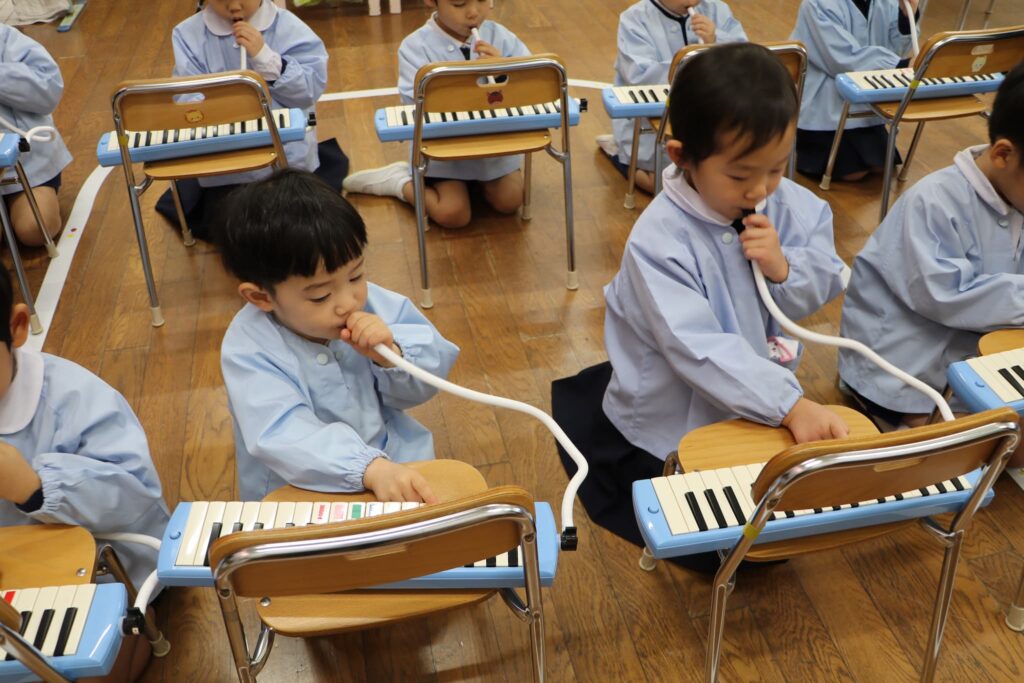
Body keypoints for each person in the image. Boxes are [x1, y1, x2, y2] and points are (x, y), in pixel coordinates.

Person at [552, 43, 848, 563]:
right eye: (740, 176)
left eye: (777, 168)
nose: (760, 190)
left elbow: (826, 272)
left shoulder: (783, 202)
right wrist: (788, 405)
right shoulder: (658, 240)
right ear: (681, 156)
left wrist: (785, 268)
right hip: (680, 404)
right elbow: (698, 348)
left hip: (758, 384)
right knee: (718, 545)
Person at [217, 169, 460, 502]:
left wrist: (392, 354)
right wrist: (367, 467)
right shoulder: (248, 348)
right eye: (320, 296)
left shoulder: (374, 303)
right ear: (261, 297)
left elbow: (431, 372)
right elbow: (283, 433)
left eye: (356, 276)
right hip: (299, 488)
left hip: (395, 459)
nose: (348, 302)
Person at [839, 60, 1024, 467]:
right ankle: (906, 419)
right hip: (902, 362)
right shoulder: (934, 200)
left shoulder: (1015, 193)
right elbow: (946, 295)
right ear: (1003, 154)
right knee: (968, 449)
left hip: (971, 346)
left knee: (1002, 437)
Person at [0, 266, 169, 593]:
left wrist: (35, 489)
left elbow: (136, 493)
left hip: (104, 577)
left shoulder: (71, 399)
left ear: (17, 327)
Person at [157, 0, 344, 241]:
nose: (234, 4)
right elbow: (187, 98)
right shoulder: (187, 34)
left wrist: (266, 58)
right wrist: (220, 106)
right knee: (237, 233)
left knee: (299, 228)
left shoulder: (288, 26)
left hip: (285, 160)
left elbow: (309, 91)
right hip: (225, 164)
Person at [342, 0, 529, 229]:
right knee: (453, 213)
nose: (473, 12)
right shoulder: (415, 47)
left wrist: (504, 72)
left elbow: (531, 84)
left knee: (511, 200)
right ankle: (399, 182)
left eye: (482, 0)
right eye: (459, 4)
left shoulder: (502, 37)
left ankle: (477, 184)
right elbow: (414, 105)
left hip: (492, 144)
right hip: (442, 148)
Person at [596, 0, 747, 195]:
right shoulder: (635, 19)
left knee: (730, 171)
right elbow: (640, 77)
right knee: (663, 184)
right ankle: (619, 155)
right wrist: (698, 65)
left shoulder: (717, 9)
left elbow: (745, 59)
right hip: (656, 114)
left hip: (713, 111)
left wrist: (717, 39)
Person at [790, 0, 918, 181]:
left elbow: (895, 50)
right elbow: (841, 58)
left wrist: (905, 17)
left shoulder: (885, 3)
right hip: (823, 111)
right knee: (853, 173)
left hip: (864, 107)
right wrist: (899, 65)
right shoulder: (817, 4)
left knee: (881, 168)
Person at [0, 23, 71, 246]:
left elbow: (49, 90)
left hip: (27, 164)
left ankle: (25, 203)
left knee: (36, 229)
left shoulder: (5, 38)